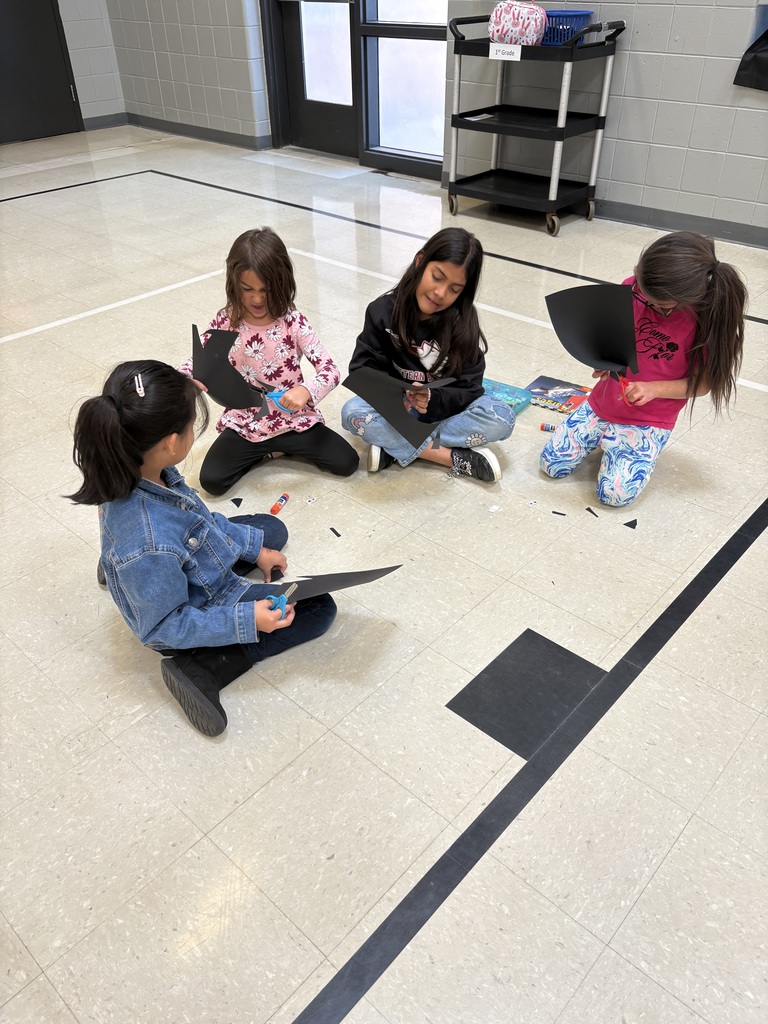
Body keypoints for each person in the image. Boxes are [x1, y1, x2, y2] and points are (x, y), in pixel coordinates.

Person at [67, 360, 337, 737]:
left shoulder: (140, 466)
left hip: (169, 555)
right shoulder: (147, 542)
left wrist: (253, 551)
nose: (195, 430)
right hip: (189, 605)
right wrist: (246, 621)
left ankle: (120, 570)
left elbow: (196, 520)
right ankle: (206, 667)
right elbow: (163, 626)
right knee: (318, 607)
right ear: (171, 443)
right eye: (192, 425)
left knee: (270, 530)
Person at [540, 231, 747, 507]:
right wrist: (603, 361)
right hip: (603, 404)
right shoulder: (635, 289)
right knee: (551, 465)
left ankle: (630, 450)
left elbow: (704, 383)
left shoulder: (706, 322)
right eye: (640, 290)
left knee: (614, 496)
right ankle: (606, 441)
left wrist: (654, 389)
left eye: (658, 305)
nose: (643, 301)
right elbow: (612, 336)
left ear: (685, 298)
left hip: (648, 420)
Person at [182, 226, 359, 496]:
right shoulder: (226, 320)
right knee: (212, 481)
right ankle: (265, 452)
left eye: (266, 290)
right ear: (234, 283)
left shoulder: (293, 321)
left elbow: (331, 370)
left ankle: (279, 447)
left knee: (347, 462)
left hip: (293, 421)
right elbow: (199, 361)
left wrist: (306, 390)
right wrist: (182, 379)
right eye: (247, 288)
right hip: (246, 424)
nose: (257, 298)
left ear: (282, 284)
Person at [340, 227, 515, 482]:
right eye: (437, 277)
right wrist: (398, 395)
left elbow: (470, 388)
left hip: (448, 412)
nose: (440, 293)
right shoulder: (381, 311)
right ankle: (450, 458)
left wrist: (431, 396)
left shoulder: (464, 323)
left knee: (502, 417)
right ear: (420, 262)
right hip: (400, 412)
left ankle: (395, 447)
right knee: (352, 412)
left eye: (455, 289)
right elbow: (362, 370)